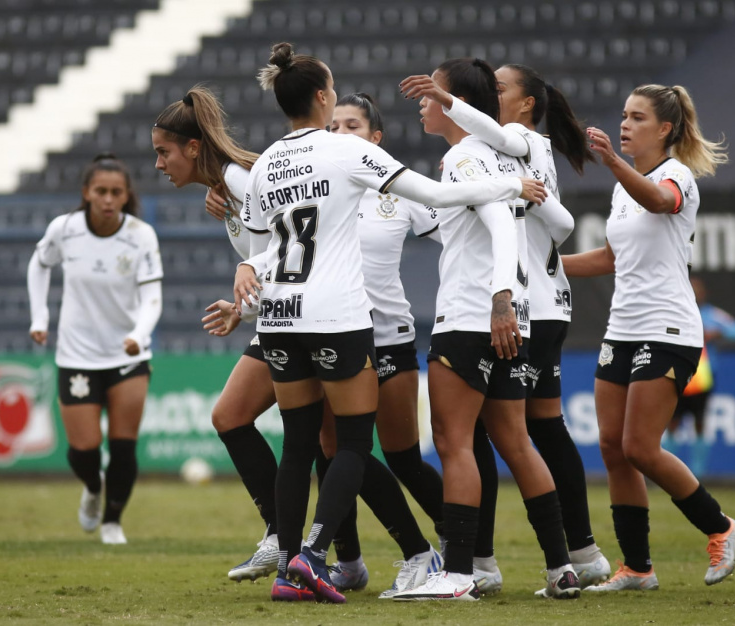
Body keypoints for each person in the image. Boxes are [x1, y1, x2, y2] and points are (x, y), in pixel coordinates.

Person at [235, 42, 545, 604]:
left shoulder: (265, 166)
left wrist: (243, 275)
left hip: (278, 316)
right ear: (324, 98)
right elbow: (433, 194)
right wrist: (509, 186)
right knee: (353, 441)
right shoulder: (345, 151)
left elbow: (263, 248)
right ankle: (314, 553)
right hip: (337, 315)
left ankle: (287, 567)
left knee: (299, 444)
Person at [400, 63, 612, 592]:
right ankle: (564, 565)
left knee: (455, 442)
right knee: (517, 440)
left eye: (436, 92)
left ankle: (460, 572)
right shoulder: (510, 157)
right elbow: (558, 223)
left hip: (477, 314)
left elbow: (495, 220)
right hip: (521, 312)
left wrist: (500, 296)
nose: (424, 101)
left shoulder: (468, 156)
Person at [561, 84, 735, 591]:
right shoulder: (625, 186)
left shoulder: (675, 175)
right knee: (613, 448)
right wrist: (544, 265)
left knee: (640, 447)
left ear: (664, 129)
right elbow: (610, 258)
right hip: (622, 327)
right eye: (623, 115)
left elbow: (662, 202)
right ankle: (638, 568)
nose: (625, 124)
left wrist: (614, 164)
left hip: (668, 329)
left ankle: (722, 526)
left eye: (637, 117)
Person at [151, 86, 282, 582]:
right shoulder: (225, 192)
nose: (159, 165)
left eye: (164, 152)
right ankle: (289, 541)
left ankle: (427, 548)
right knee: (232, 417)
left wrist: (247, 308)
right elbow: (264, 264)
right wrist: (241, 312)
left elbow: (288, 254)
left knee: (336, 447)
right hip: (276, 320)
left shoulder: (241, 183)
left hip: (303, 320)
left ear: (191, 147)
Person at [321, 92, 445, 598]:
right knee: (335, 451)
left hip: (390, 336)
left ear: (375, 140)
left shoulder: (401, 190)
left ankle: (469, 550)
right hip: (334, 333)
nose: (339, 134)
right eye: (332, 126)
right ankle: (350, 563)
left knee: (402, 457)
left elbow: (458, 238)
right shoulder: (317, 188)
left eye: (352, 126)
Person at [27, 153, 162, 545]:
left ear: (126, 196)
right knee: (83, 451)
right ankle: (92, 485)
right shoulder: (64, 229)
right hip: (76, 355)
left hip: (128, 355)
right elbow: (39, 265)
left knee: (123, 446)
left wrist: (140, 332)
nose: (107, 199)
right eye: (100, 191)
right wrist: (40, 318)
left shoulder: (140, 235)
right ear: (86, 193)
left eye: (116, 192)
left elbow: (152, 297)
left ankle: (112, 522)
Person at [665, 276, 735, 477]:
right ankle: (666, 473)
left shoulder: (712, 315)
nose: (695, 295)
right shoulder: (675, 313)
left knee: (700, 423)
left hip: (703, 378)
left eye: (698, 290)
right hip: (677, 374)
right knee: (672, 423)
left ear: (705, 294)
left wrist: (716, 333)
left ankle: (698, 474)